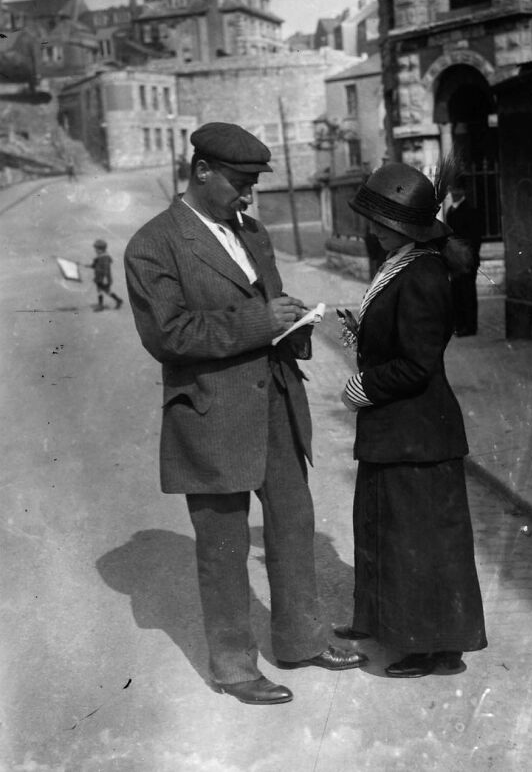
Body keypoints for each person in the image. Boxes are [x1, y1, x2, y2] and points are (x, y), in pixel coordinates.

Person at [124, 123, 366, 706]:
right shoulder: (153, 244)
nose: (248, 197)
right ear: (202, 170)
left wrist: (295, 324)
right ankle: (234, 666)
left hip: (277, 401)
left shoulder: (251, 232)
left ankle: (301, 639)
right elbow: (170, 335)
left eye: (254, 184)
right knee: (224, 545)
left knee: (293, 523)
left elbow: (267, 308)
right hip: (211, 415)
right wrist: (263, 322)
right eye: (240, 182)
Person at [338, 162, 487, 678]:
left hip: (417, 430)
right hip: (400, 430)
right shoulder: (403, 261)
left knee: (420, 541)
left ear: (406, 229)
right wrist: (364, 335)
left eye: (381, 224)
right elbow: (400, 339)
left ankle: (432, 649)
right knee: (386, 528)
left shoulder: (422, 273)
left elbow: (419, 365)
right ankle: (384, 623)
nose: (372, 231)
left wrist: (362, 387)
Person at [445, 177, 482, 336]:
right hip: (454, 259)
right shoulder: (450, 211)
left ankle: (470, 326)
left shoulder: (470, 210)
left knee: (468, 293)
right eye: (452, 190)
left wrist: (469, 258)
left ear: (463, 192)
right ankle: (459, 324)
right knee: (456, 293)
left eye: (457, 190)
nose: (453, 193)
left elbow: (475, 238)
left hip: (467, 259)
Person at [87, 239, 123, 311]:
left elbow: (106, 269)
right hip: (99, 278)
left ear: (102, 249)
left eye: (96, 249)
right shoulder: (99, 257)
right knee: (100, 291)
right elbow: (94, 265)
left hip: (104, 279)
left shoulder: (105, 258)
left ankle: (117, 301)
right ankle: (102, 305)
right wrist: (87, 266)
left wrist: (105, 279)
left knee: (107, 291)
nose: (95, 250)